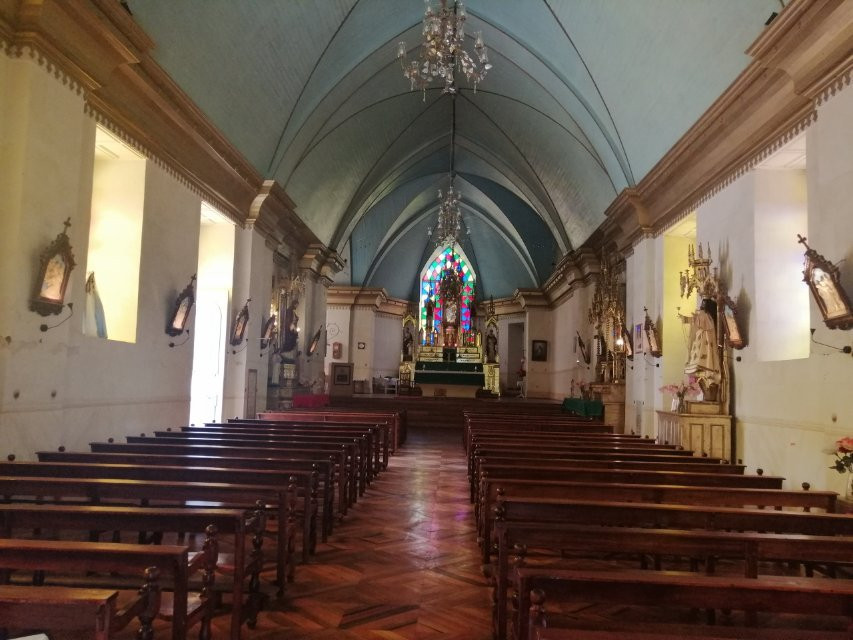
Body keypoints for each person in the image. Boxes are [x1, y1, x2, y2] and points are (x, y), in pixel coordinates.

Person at [682, 298, 721, 398]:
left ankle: (710, 392)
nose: (701, 305)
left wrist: (686, 319)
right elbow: (697, 320)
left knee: (705, 363)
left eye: (703, 304)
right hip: (700, 343)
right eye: (701, 303)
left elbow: (698, 320)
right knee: (698, 367)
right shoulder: (703, 316)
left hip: (705, 343)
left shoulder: (706, 316)